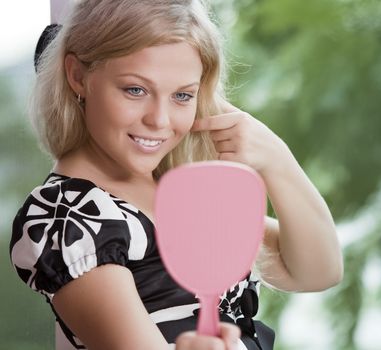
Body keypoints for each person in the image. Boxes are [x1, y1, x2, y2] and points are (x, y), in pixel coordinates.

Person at [9, 0, 344, 349]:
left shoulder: (180, 190)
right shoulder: (69, 215)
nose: (160, 120)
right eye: (135, 90)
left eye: (182, 96)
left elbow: (318, 271)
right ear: (78, 76)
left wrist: (276, 158)